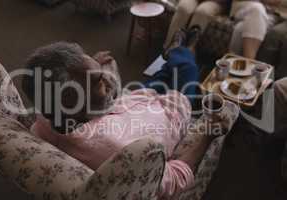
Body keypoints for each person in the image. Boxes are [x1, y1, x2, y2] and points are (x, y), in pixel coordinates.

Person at [17, 31, 233, 198]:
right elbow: (175, 179)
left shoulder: (45, 114)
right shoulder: (123, 153)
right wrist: (207, 133)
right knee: (188, 70)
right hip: (173, 110)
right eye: (98, 81)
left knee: (161, 74)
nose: (107, 81)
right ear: (70, 101)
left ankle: (174, 52)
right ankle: (185, 48)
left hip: (135, 100)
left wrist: (89, 67)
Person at [164, 0, 229, 49]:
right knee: (183, 8)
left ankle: (186, 54)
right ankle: (168, 49)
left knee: (202, 12)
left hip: (216, 2)